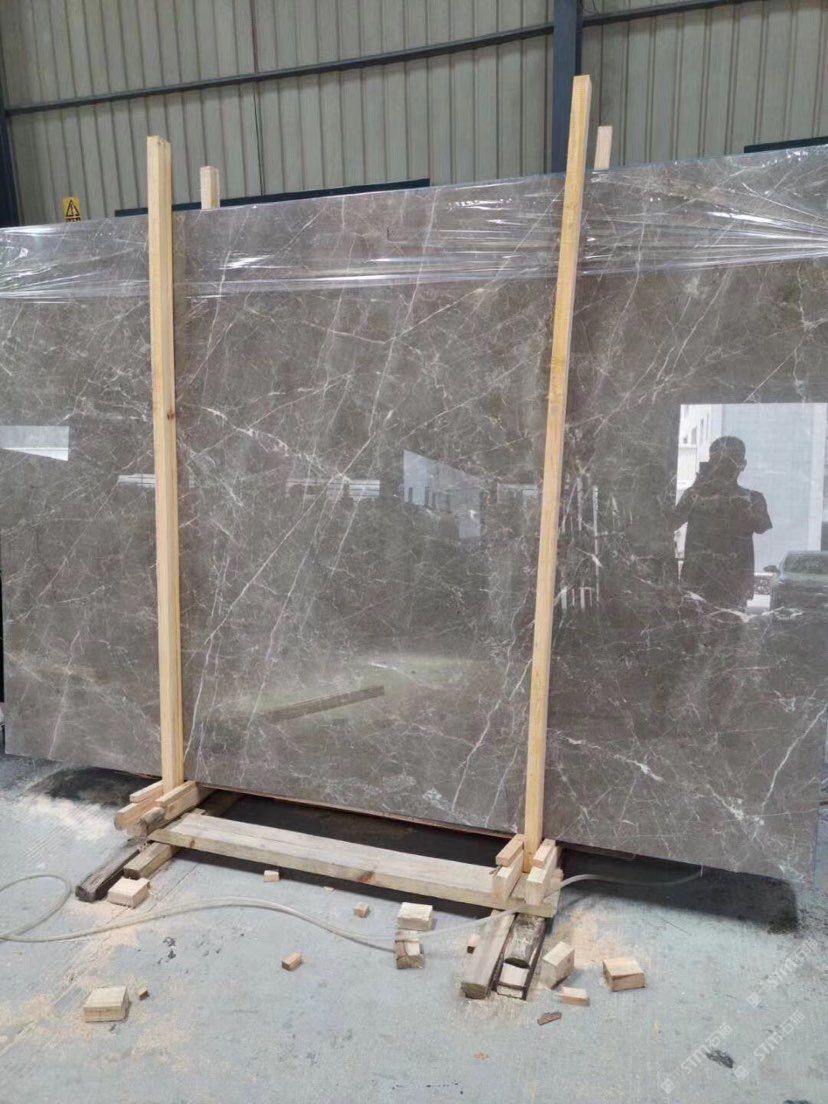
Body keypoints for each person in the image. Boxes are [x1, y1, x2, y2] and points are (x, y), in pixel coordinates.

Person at [672, 436, 772, 610]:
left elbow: (761, 526)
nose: (724, 467)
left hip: (729, 584)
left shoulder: (752, 498)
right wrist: (697, 489)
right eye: (719, 461)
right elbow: (672, 523)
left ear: (742, 464)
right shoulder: (696, 495)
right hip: (701, 582)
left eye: (729, 461)